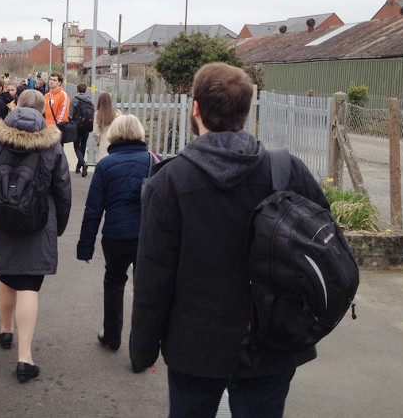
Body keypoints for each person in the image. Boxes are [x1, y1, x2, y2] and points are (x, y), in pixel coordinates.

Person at [130, 62, 330, 418]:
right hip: (272, 341)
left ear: (195, 109)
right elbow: (323, 245)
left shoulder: (170, 182)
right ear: (247, 110)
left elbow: (152, 277)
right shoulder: (287, 171)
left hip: (194, 346)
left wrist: (143, 350)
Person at [0, 89, 71, 383]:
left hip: (2, 218)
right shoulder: (51, 143)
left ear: (15, 106)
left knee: (7, 276)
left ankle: (6, 330)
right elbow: (63, 189)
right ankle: (25, 358)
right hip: (38, 221)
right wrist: (59, 226)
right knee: (29, 283)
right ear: (42, 111)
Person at [78, 114, 153, 353]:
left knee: (114, 281)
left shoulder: (105, 165)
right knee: (145, 288)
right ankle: (141, 348)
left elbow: (93, 209)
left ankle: (112, 336)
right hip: (146, 237)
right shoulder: (153, 161)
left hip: (116, 236)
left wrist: (86, 247)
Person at [70, 82, 93, 176]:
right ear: (86, 91)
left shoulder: (74, 100)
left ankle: (83, 164)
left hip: (77, 127)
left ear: (77, 90)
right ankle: (78, 168)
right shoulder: (90, 101)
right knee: (83, 146)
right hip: (87, 126)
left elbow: (70, 114)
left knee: (76, 147)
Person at [92, 91, 121, 162]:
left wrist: (98, 140)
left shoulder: (98, 114)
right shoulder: (117, 112)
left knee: (103, 159)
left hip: (104, 138)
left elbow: (96, 132)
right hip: (115, 138)